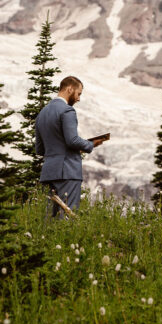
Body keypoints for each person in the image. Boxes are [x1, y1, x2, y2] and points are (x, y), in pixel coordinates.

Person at [35, 76, 108, 218]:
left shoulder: (42, 114)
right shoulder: (67, 111)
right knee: (67, 216)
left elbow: (40, 149)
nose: (79, 98)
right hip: (67, 171)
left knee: (48, 219)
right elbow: (72, 140)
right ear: (70, 89)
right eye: (79, 93)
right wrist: (91, 144)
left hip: (49, 172)